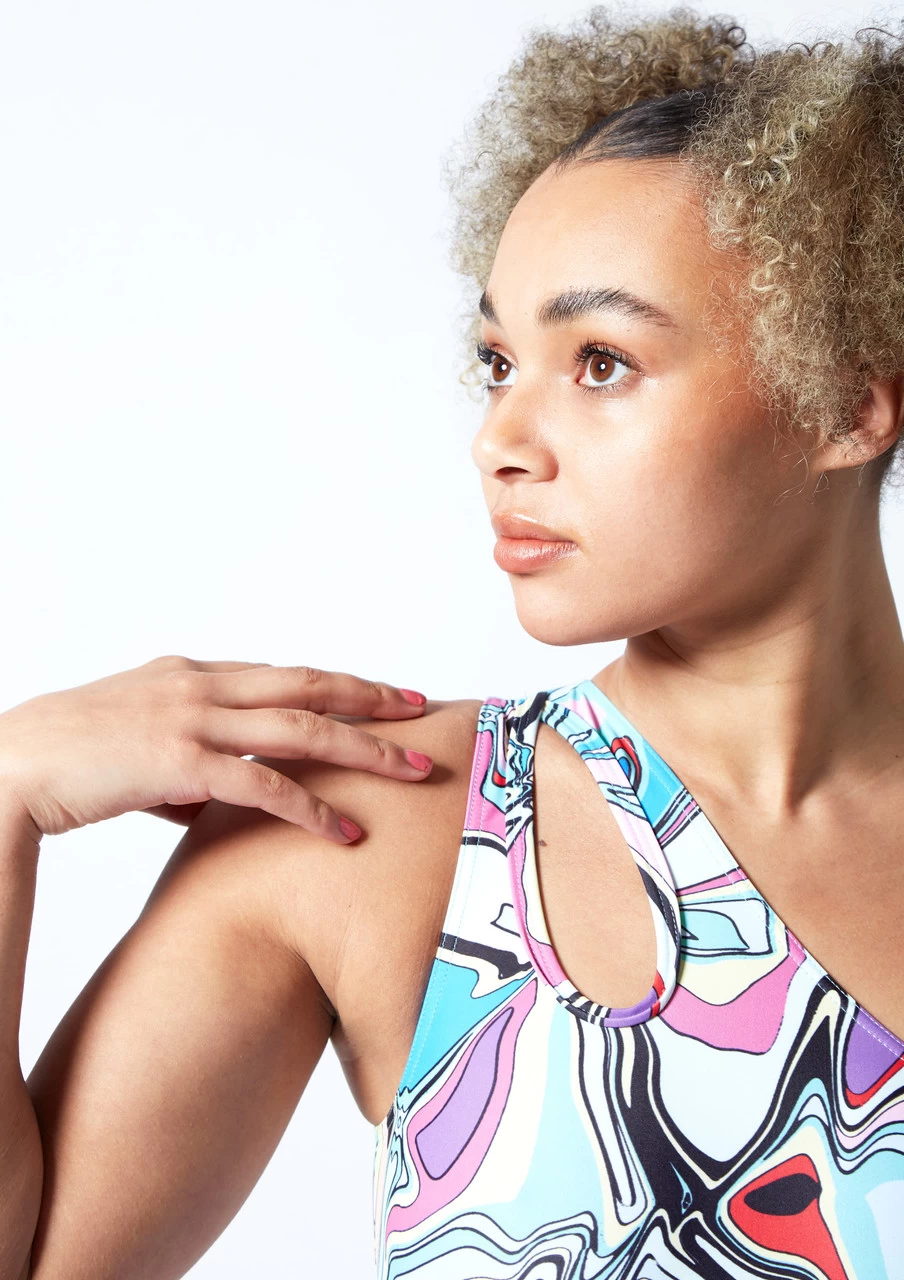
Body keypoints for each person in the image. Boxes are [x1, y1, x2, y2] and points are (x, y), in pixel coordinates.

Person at [2, 5, 903, 1277]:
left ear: (843, 403)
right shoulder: (370, 827)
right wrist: (3, 794)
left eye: (600, 362)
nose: (499, 440)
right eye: (497, 361)